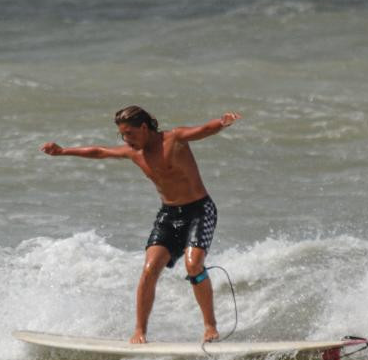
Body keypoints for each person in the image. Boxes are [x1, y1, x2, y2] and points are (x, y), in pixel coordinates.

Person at [42, 106, 241, 344]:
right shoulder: (133, 153)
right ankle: (140, 331)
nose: (127, 140)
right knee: (150, 268)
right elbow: (99, 152)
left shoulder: (174, 139)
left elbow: (202, 130)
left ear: (144, 128)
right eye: (122, 135)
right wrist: (63, 151)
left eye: (130, 134)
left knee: (194, 265)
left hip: (199, 210)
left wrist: (222, 122)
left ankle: (210, 326)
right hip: (168, 214)